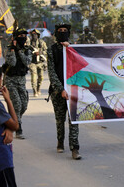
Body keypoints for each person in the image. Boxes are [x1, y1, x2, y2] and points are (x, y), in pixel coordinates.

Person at [48, 23, 81, 160]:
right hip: (57, 92)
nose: (62, 32)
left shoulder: (74, 49)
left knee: (73, 120)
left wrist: (70, 49)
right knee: (60, 120)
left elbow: (81, 66)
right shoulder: (52, 50)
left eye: (65, 30)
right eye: (60, 31)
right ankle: (60, 141)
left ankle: (75, 148)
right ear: (56, 33)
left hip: (73, 90)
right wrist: (61, 89)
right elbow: (51, 71)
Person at [4, 28, 32, 139]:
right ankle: (18, 128)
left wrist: (19, 51)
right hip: (11, 81)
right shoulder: (9, 50)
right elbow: (12, 62)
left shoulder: (27, 50)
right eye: (20, 36)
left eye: (24, 36)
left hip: (21, 81)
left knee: (24, 105)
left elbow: (27, 62)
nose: (23, 38)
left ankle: (13, 119)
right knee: (17, 104)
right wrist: (13, 49)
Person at [28, 29, 47, 97]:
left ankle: (38, 89)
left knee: (41, 78)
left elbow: (46, 51)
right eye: (33, 34)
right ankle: (34, 91)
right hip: (32, 63)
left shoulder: (41, 42)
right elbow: (26, 52)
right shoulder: (29, 43)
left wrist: (40, 53)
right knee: (33, 77)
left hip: (40, 63)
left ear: (38, 35)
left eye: (35, 34)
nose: (34, 36)